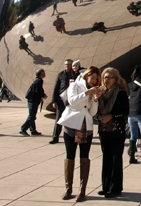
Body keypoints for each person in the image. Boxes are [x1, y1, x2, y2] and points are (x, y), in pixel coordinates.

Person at [56, 66, 103, 201]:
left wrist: (95, 100)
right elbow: (72, 101)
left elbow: (92, 112)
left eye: (96, 79)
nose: (94, 81)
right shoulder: (75, 86)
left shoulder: (94, 90)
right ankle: (68, 188)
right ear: (86, 76)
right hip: (72, 123)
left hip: (85, 125)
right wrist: (88, 93)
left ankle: (82, 190)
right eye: (92, 78)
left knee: (84, 157)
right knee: (70, 156)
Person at [97, 67, 129, 198]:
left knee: (116, 158)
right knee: (106, 157)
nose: (107, 80)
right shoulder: (101, 93)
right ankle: (105, 186)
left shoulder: (120, 93)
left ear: (116, 79)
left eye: (109, 77)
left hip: (116, 129)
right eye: (105, 77)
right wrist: (99, 116)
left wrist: (112, 116)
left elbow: (125, 111)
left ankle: (115, 188)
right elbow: (95, 109)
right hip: (104, 130)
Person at [50, 59, 77, 145]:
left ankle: (72, 137)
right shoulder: (61, 74)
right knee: (59, 119)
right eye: (66, 64)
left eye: (69, 64)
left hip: (72, 101)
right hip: (61, 100)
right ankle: (55, 137)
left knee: (72, 120)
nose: (67, 66)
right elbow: (56, 88)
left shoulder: (76, 74)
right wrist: (54, 101)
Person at [20, 69, 47, 136]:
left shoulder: (36, 80)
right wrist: (43, 95)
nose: (45, 74)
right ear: (41, 73)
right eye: (44, 72)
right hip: (33, 101)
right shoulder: (39, 81)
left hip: (31, 100)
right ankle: (23, 129)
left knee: (32, 115)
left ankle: (33, 130)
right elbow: (37, 90)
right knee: (31, 116)